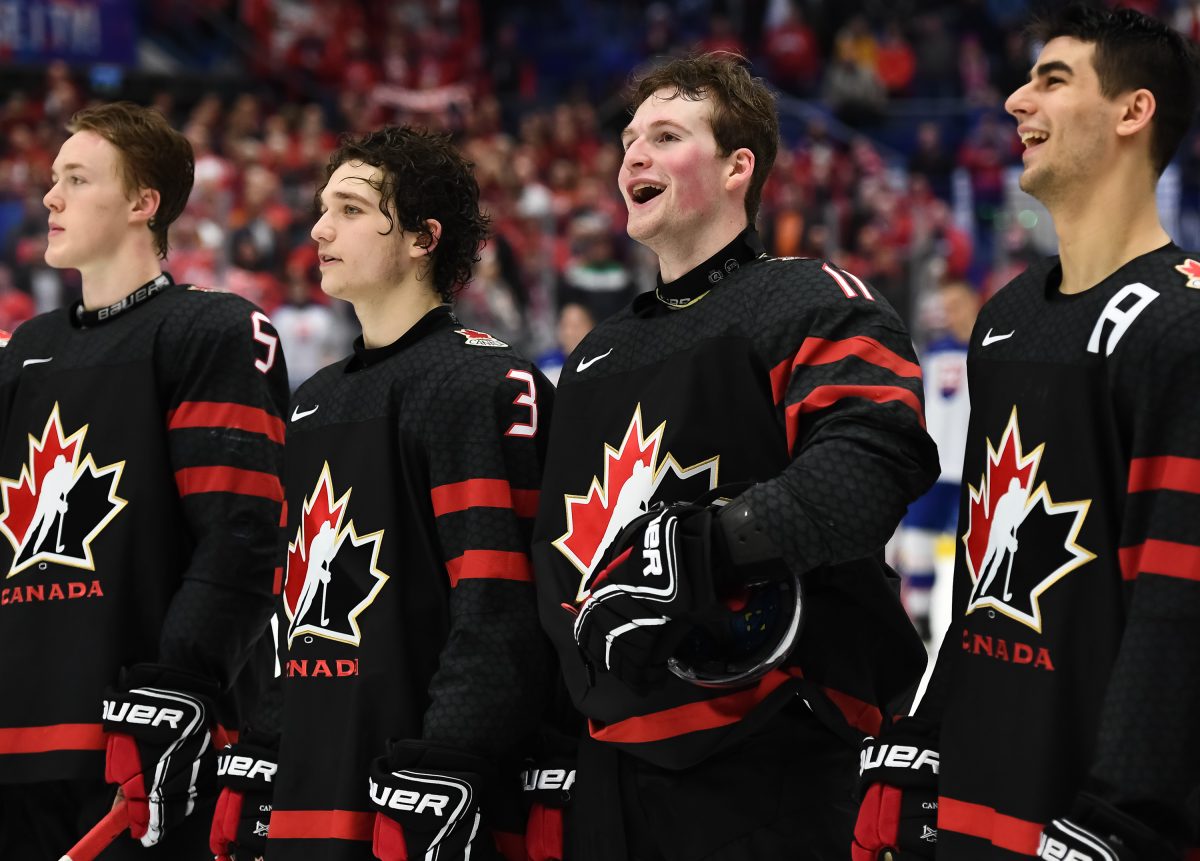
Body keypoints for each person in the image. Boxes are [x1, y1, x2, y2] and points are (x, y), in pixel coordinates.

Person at [531, 53, 939, 860]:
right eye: (629, 140)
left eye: (667, 136)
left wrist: (705, 546)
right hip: (606, 767)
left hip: (771, 756)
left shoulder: (808, 296)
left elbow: (869, 467)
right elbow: (555, 573)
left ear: (736, 166)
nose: (632, 157)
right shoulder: (595, 356)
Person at [853, 6, 1200, 860]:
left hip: (1099, 817)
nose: (1015, 101)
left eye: (1052, 80)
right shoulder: (1006, 318)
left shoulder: (1181, 324)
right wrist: (926, 735)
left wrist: (1122, 809)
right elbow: (982, 570)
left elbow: (1178, 600)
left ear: (1133, 111)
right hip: (986, 793)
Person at [212, 126, 554, 861]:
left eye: (352, 208)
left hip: (423, 795)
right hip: (312, 782)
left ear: (422, 237)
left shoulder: (480, 384)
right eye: (321, 208)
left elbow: (497, 604)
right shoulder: (314, 401)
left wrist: (447, 756)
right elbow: (291, 606)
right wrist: (261, 750)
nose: (319, 227)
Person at [0, 101, 289, 859]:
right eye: (52, 179)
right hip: (17, 732)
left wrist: (179, 685)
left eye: (76, 179)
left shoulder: (209, 328)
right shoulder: (26, 349)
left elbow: (243, 528)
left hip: (146, 741)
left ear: (142, 203)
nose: (51, 197)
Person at [893, 281, 978, 642]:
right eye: (945, 307)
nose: (948, 314)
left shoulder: (988, 352)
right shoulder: (925, 355)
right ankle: (923, 614)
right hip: (937, 464)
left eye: (955, 306)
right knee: (919, 541)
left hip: (973, 465)